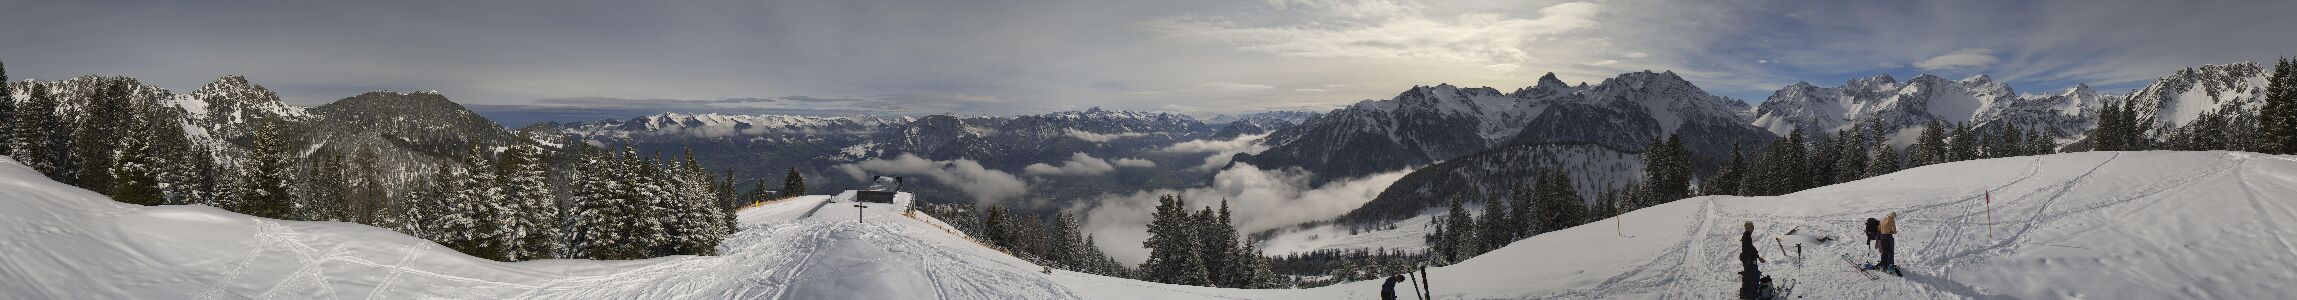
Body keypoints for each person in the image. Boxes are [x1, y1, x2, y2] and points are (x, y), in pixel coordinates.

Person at [1738, 222, 1765, 299]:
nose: (1753, 228)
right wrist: (1757, 256)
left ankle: (1747, 293)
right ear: (1747, 227)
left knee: (1750, 276)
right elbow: (1748, 250)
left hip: (1749, 259)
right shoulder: (1746, 236)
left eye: (1753, 226)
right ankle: (1749, 295)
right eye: (1751, 227)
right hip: (1749, 260)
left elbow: (1750, 247)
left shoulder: (1747, 235)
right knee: (1752, 276)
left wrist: (1757, 255)